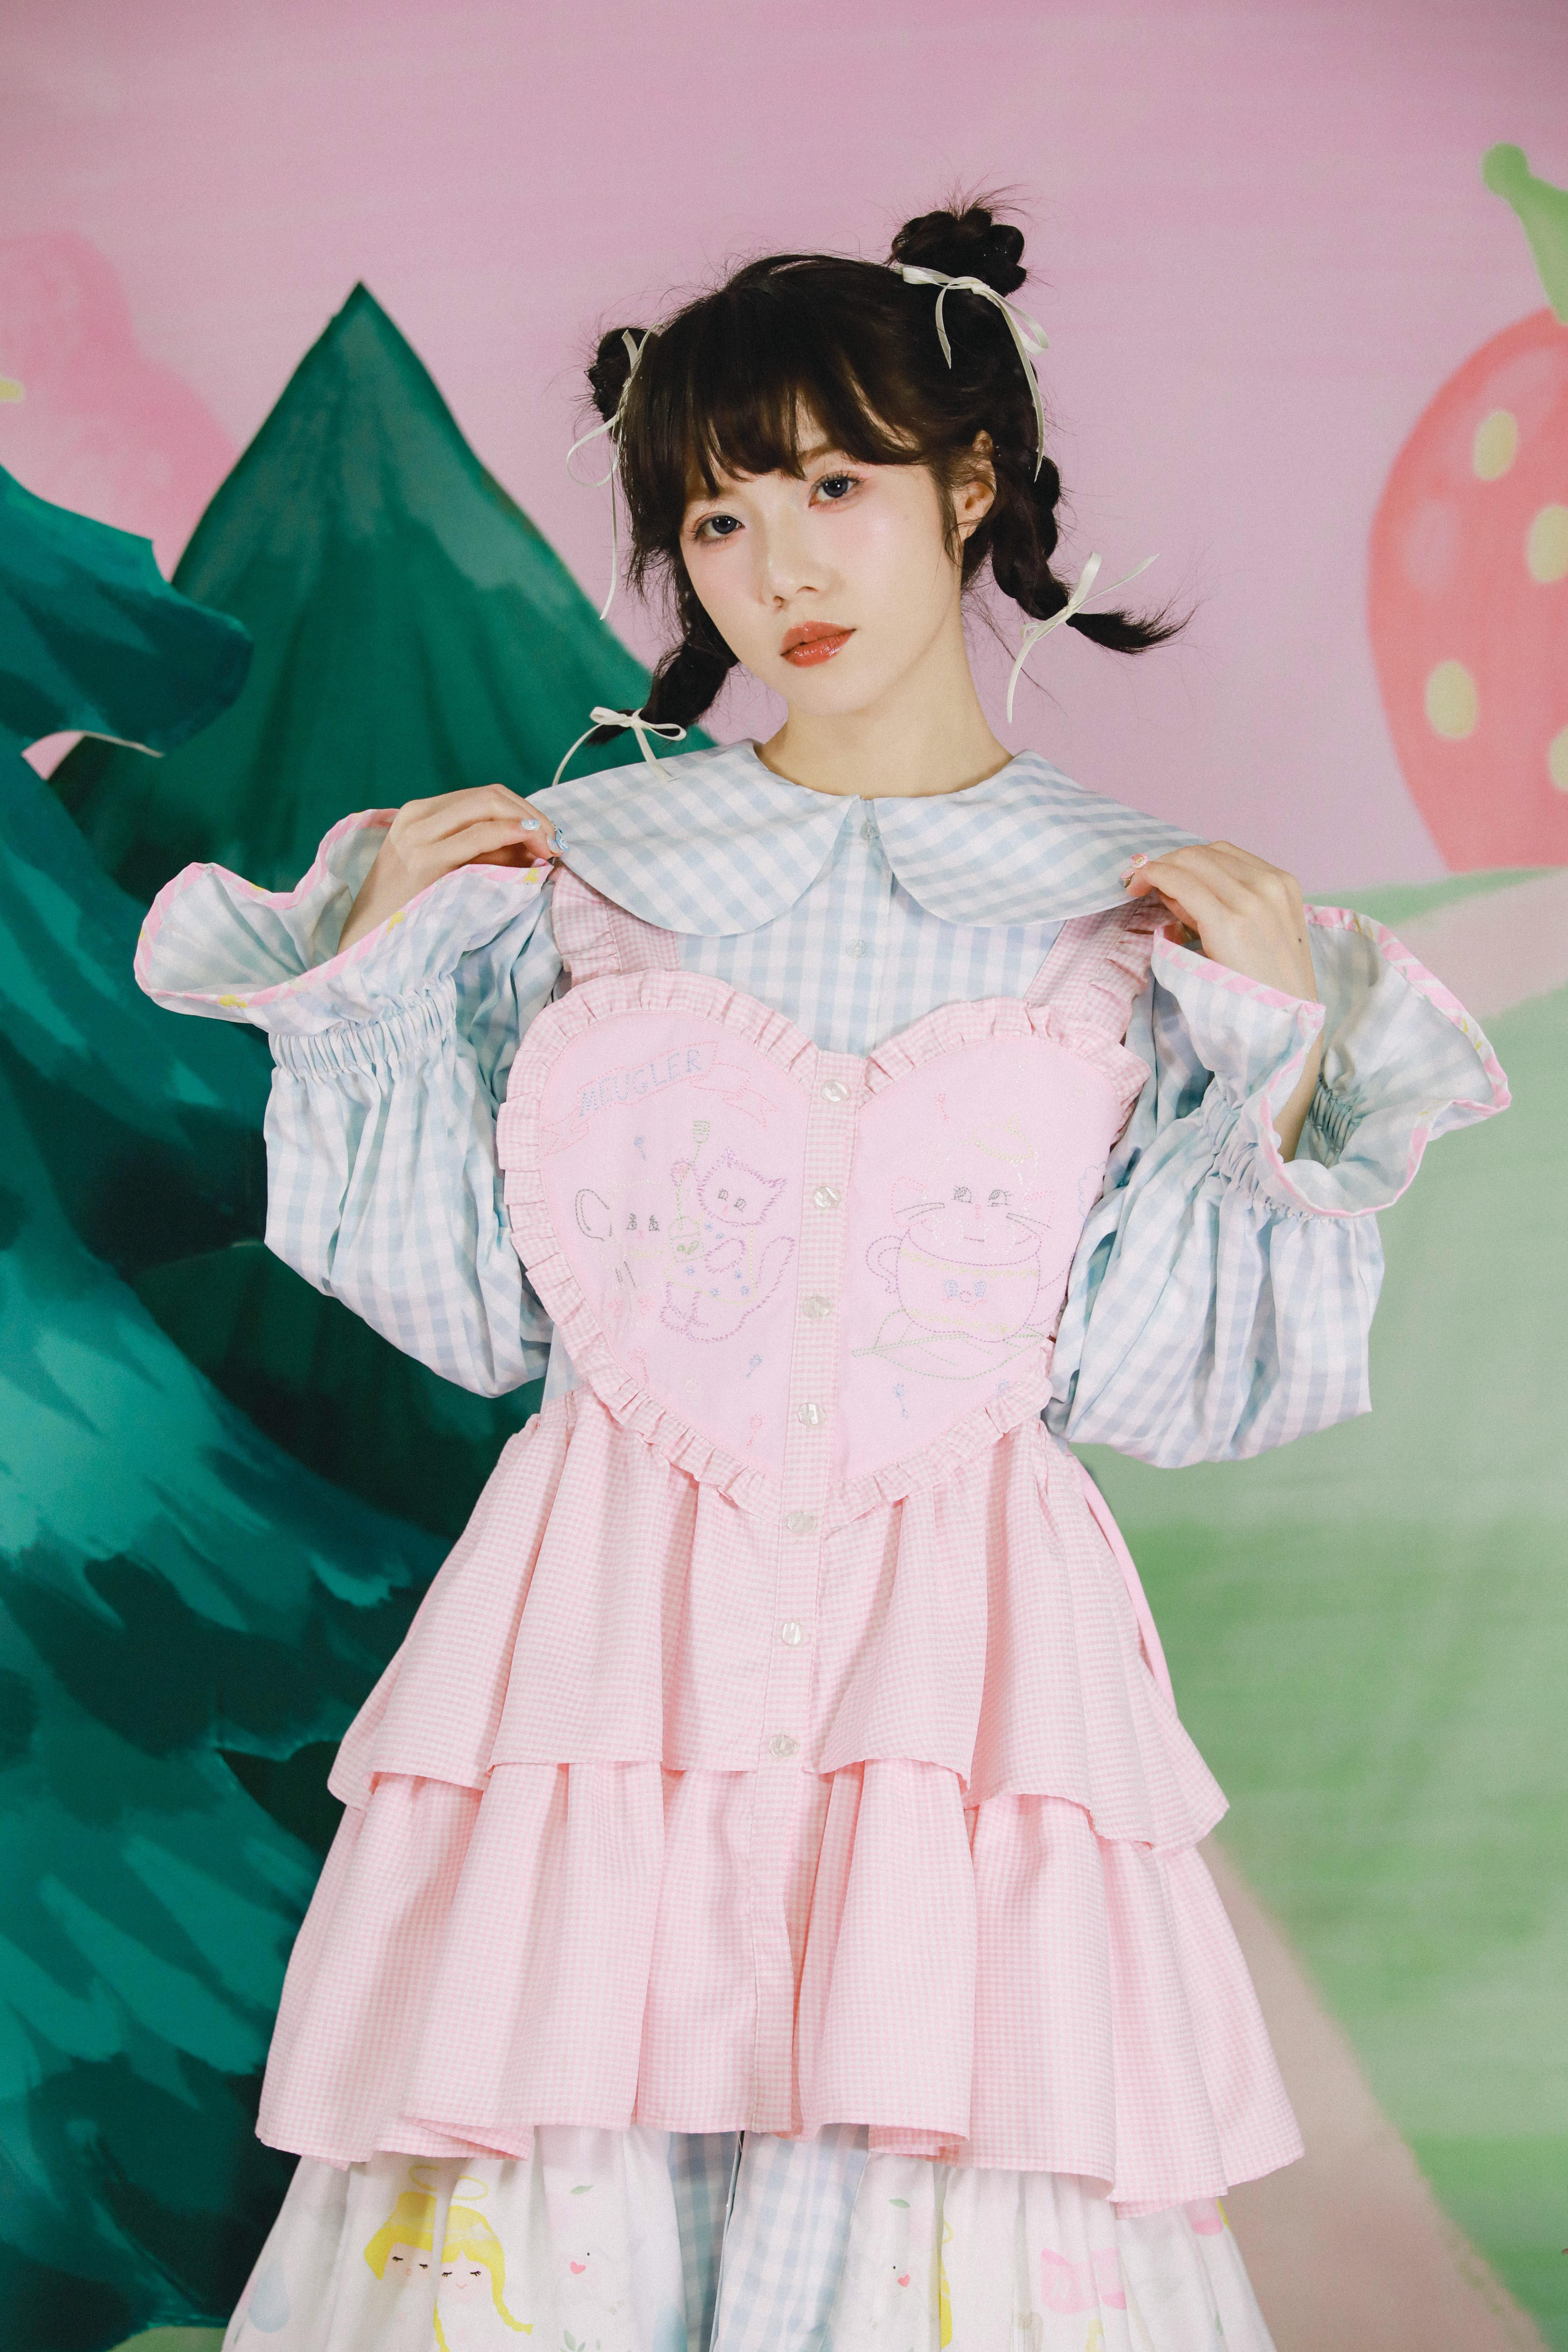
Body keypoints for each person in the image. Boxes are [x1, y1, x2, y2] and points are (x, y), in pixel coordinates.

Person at [138, 200, 1507, 2352]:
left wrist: (1270, 1070)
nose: (779, 565)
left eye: (836, 484)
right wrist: (377, 986)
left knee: (934, 2154)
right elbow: (475, 1312)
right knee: (559, 2160)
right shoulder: (582, 877)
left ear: (970, 483)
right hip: (608, 1656)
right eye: (718, 515)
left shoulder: (1138, 917)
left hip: (958, 1676)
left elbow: (1156, 1375)